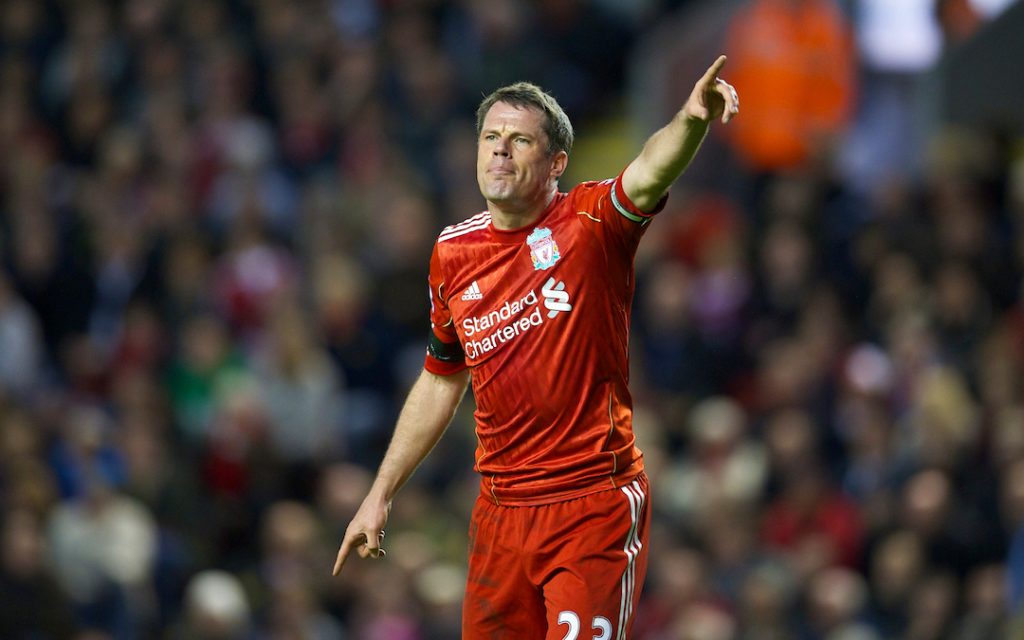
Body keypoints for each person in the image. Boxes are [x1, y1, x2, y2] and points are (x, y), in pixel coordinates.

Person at [332, 55, 739, 638]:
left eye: (520, 140)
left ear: (556, 164)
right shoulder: (452, 253)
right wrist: (380, 493)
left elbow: (648, 171)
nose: (500, 149)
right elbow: (442, 376)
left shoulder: (591, 223)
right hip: (499, 514)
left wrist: (692, 119)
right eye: (491, 137)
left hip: (591, 501)